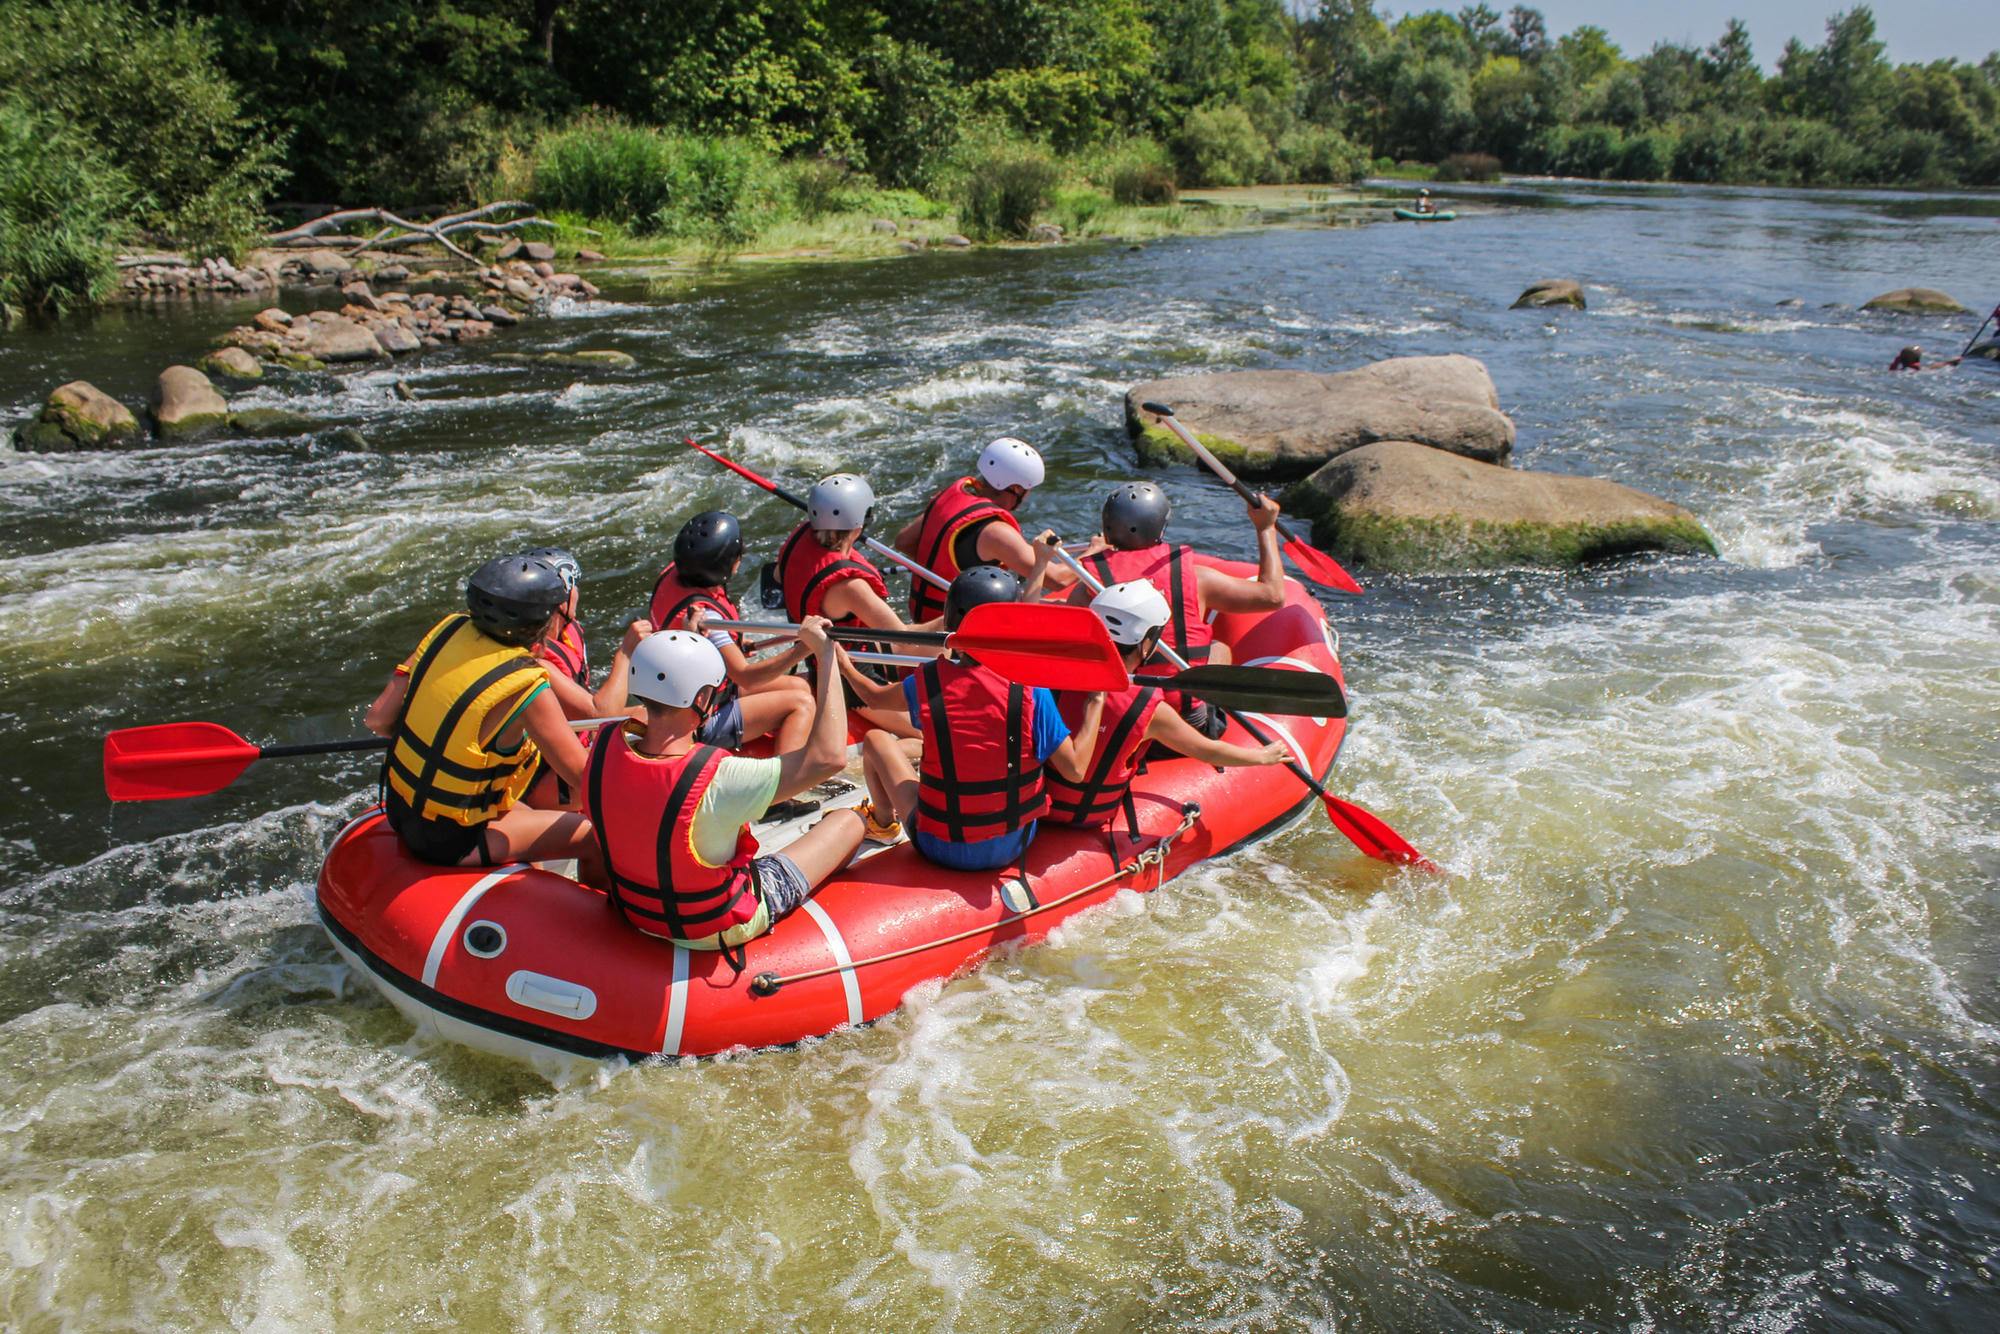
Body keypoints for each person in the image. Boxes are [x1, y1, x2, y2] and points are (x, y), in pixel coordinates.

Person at [583, 618, 866, 955]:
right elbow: (828, 757)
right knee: (850, 821)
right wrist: (826, 654)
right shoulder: (720, 776)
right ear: (702, 697)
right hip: (715, 927)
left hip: (639, 914)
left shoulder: (601, 750)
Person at [846, 568, 1103, 901]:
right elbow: (1075, 770)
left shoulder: (927, 682)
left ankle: (883, 824)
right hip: (1015, 841)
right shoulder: (1031, 690)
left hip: (941, 846)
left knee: (877, 741)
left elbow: (874, 697)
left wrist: (842, 664)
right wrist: (1096, 701)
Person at [362, 554, 602, 878]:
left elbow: (377, 719)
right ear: (543, 622)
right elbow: (584, 778)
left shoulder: (446, 632)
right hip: (451, 841)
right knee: (592, 834)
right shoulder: (525, 684)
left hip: (402, 811)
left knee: (526, 813)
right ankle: (598, 918)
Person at [1047, 581, 1289, 839]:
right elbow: (1207, 750)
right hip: (1087, 817)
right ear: (1147, 644)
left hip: (1043, 806)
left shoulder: (1050, 676)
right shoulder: (1150, 709)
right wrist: (1262, 756)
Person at [775, 472, 932, 735]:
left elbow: (780, 576)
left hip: (832, 657)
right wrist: (955, 630)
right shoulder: (850, 587)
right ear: (858, 528)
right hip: (851, 681)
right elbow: (906, 640)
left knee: (940, 630)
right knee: (930, 734)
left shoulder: (797, 538)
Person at [1069, 481, 1286, 670]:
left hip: (1120, 703)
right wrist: (1266, 528)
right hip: (1184, 705)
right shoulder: (1196, 578)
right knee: (1219, 648)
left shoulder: (1089, 585)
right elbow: (1272, 596)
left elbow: (1068, 642)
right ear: (1160, 528)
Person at [645, 510, 813, 754]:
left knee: (803, 686)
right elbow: (746, 676)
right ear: (728, 565)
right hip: (701, 722)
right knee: (802, 703)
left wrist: (733, 645)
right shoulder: (709, 620)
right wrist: (803, 648)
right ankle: (787, 784)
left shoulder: (673, 575)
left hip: (685, 701)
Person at [891, 436, 1080, 622]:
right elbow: (1058, 580)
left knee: (1055, 603)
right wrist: (1094, 552)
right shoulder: (996, 532)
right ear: (1016, 488)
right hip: (958, 626)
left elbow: (903, 542)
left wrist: (944, 564)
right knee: (1071, 608)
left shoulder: (947, 498)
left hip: (925, 617)